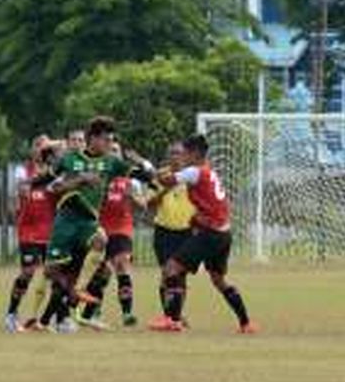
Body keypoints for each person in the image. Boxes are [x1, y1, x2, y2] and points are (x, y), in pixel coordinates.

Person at [34, 116, 149, 333]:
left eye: (112, 140)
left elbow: (144, 175)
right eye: (106, 139)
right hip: (66, 222)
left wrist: (140, 162)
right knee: (54, 271)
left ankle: (77, 298)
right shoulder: (69, 159)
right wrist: (79, 180)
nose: (108, 144)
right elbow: (50, 186)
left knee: (100, 241)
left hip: (88, 223)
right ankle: (51, 318)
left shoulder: (111, 162)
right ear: (93, 139)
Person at [149, 135, 257, 334]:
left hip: (211, 234)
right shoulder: (208, 171)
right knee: (218, 280)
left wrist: (151, 171)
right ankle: (246, 323)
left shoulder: (194, 171)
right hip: (224, 233)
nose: (182, 157)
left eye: (185, 153)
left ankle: (172, 320)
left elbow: (166, 180)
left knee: (171, 269)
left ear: (195, 153)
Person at [76, 142, 147, 330]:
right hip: (101, 230)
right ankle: (89, 313)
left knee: (122, 264)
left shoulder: (130, 181)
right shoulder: (100, 178)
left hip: (122, 229)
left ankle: (127, 313)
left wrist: (133, 198)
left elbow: (143, 206)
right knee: (102, 273)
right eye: (111, 152)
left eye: (116, 152)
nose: (114, 155)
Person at [4, 135, 58, 332]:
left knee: (55, 274)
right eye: (37, 145)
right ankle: (11, 314)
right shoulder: (23, 171)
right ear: (33, 150)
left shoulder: (55, 172)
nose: (41, 149)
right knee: (28, 272)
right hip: (29, 230)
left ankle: (52, 318)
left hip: (51, 231)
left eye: (45, 146)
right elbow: (19, 192)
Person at [147, 142, 195, 322]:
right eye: (173, 153)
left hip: (187, 232)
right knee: (167, 273)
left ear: (186, 156)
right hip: (164, 231)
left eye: (179, 153)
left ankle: (176, 314)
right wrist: (165, 189)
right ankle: (169, 315)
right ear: (168, 156)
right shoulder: (160, 176)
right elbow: (149, 203)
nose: (176, 156)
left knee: (181, 276)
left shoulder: (191, 176)